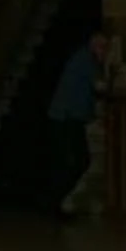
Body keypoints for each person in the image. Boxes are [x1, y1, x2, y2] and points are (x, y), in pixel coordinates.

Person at [49, 29, 111, 217]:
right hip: (68, 117)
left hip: (66, 115)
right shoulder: (86, 60)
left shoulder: (82, 58)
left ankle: (58, 202)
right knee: (78, 161)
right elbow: (99, 86)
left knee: (74, 161)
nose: (103, 50)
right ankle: (57, 202)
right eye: (101, 46)